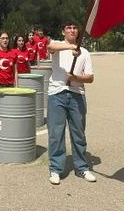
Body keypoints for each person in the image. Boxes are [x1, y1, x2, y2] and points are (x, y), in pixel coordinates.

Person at [47, 21, 95, 185]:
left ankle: (82, 167)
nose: (72, 30)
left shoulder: (85, 52)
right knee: (56, 133)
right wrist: (70, 48)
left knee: (79, 134)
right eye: (68, 28)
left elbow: (90, 77)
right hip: (56, 94)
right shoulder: (58, 47)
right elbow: (50, 47)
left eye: (74, 28)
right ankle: (56, 169)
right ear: (63, 31)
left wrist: (75, 78)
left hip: (77, 95)